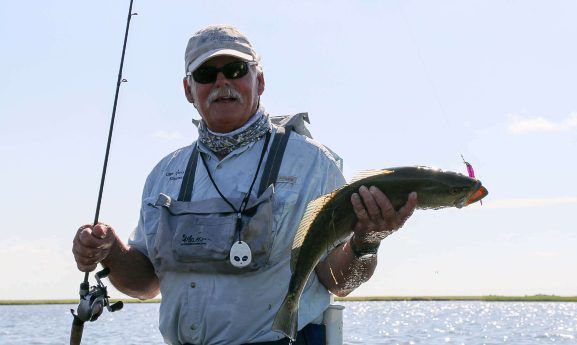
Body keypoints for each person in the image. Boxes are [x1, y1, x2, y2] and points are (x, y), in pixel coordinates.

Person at [72, 24, 417, 345]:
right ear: (188, 89)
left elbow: (339, 282)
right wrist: (112, 251)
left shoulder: (313, 163)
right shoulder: (164, 172)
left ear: (260, 81)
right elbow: (146, 284)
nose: (222, 81)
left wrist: (368, 240)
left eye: (236, 71)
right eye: (207, 73)